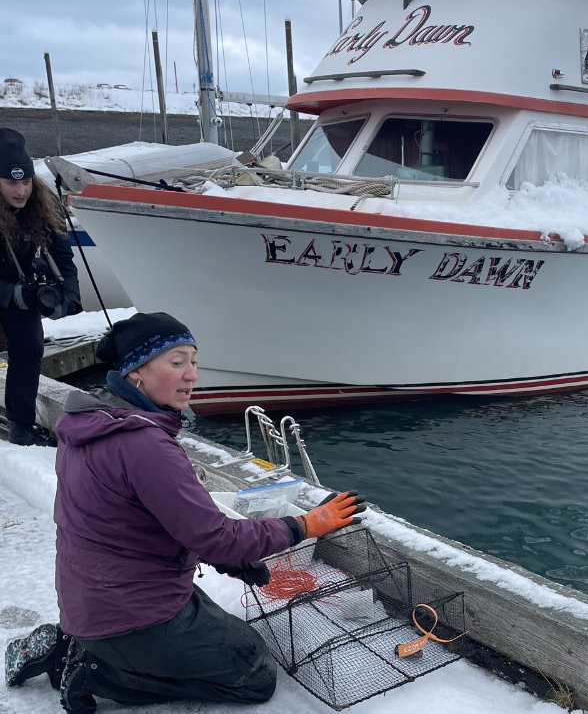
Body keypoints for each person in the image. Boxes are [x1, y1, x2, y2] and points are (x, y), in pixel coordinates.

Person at [4, 312, 367, 713]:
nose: (192, 375)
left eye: (194, 361)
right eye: (177, 362)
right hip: (130, 611)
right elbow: (216, 534)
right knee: (255, 675)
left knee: (236, 640)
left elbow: (142, 520)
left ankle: (76, 640)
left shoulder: (89, 422)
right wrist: (304, 524)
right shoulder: (144, 444)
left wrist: (221, 557)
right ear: (136, 372)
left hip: (98, 595)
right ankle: (94, 669)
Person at [0, 128, 81, 446]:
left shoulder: (42, 205)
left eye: (26, 181)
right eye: (11, 182)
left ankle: (21, 425)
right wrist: (11, 294)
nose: (21, 191)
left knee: (30, 349)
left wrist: (68, 299)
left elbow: (64, 259)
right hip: (9, 289)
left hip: (18, 288)